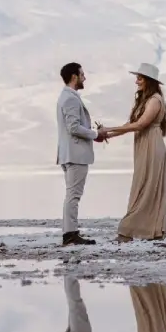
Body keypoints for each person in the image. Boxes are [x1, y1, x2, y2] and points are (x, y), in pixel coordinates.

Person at [99, 62, 166, 242]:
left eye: (140, 78)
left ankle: (128, 230)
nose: (137, 81)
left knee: (148, 185)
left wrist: (108, 128)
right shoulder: (144, 100)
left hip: (152, 144)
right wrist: (107, 134)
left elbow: (140, 124)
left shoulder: (155, 100)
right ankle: (147, 230)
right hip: (143, 144)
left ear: (148, 81)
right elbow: (130, 125)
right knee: (142, 184)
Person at [54, 62, 107, 246]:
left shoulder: (67, 97)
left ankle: (70, 232)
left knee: (72, 194)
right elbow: (74, 127)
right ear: (74, 76)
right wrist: (95, 134)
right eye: (82, 74)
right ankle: (70, 235)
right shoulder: (69, 98)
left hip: (70, 153)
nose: (85, 77)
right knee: (73, 195)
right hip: (75, 154)